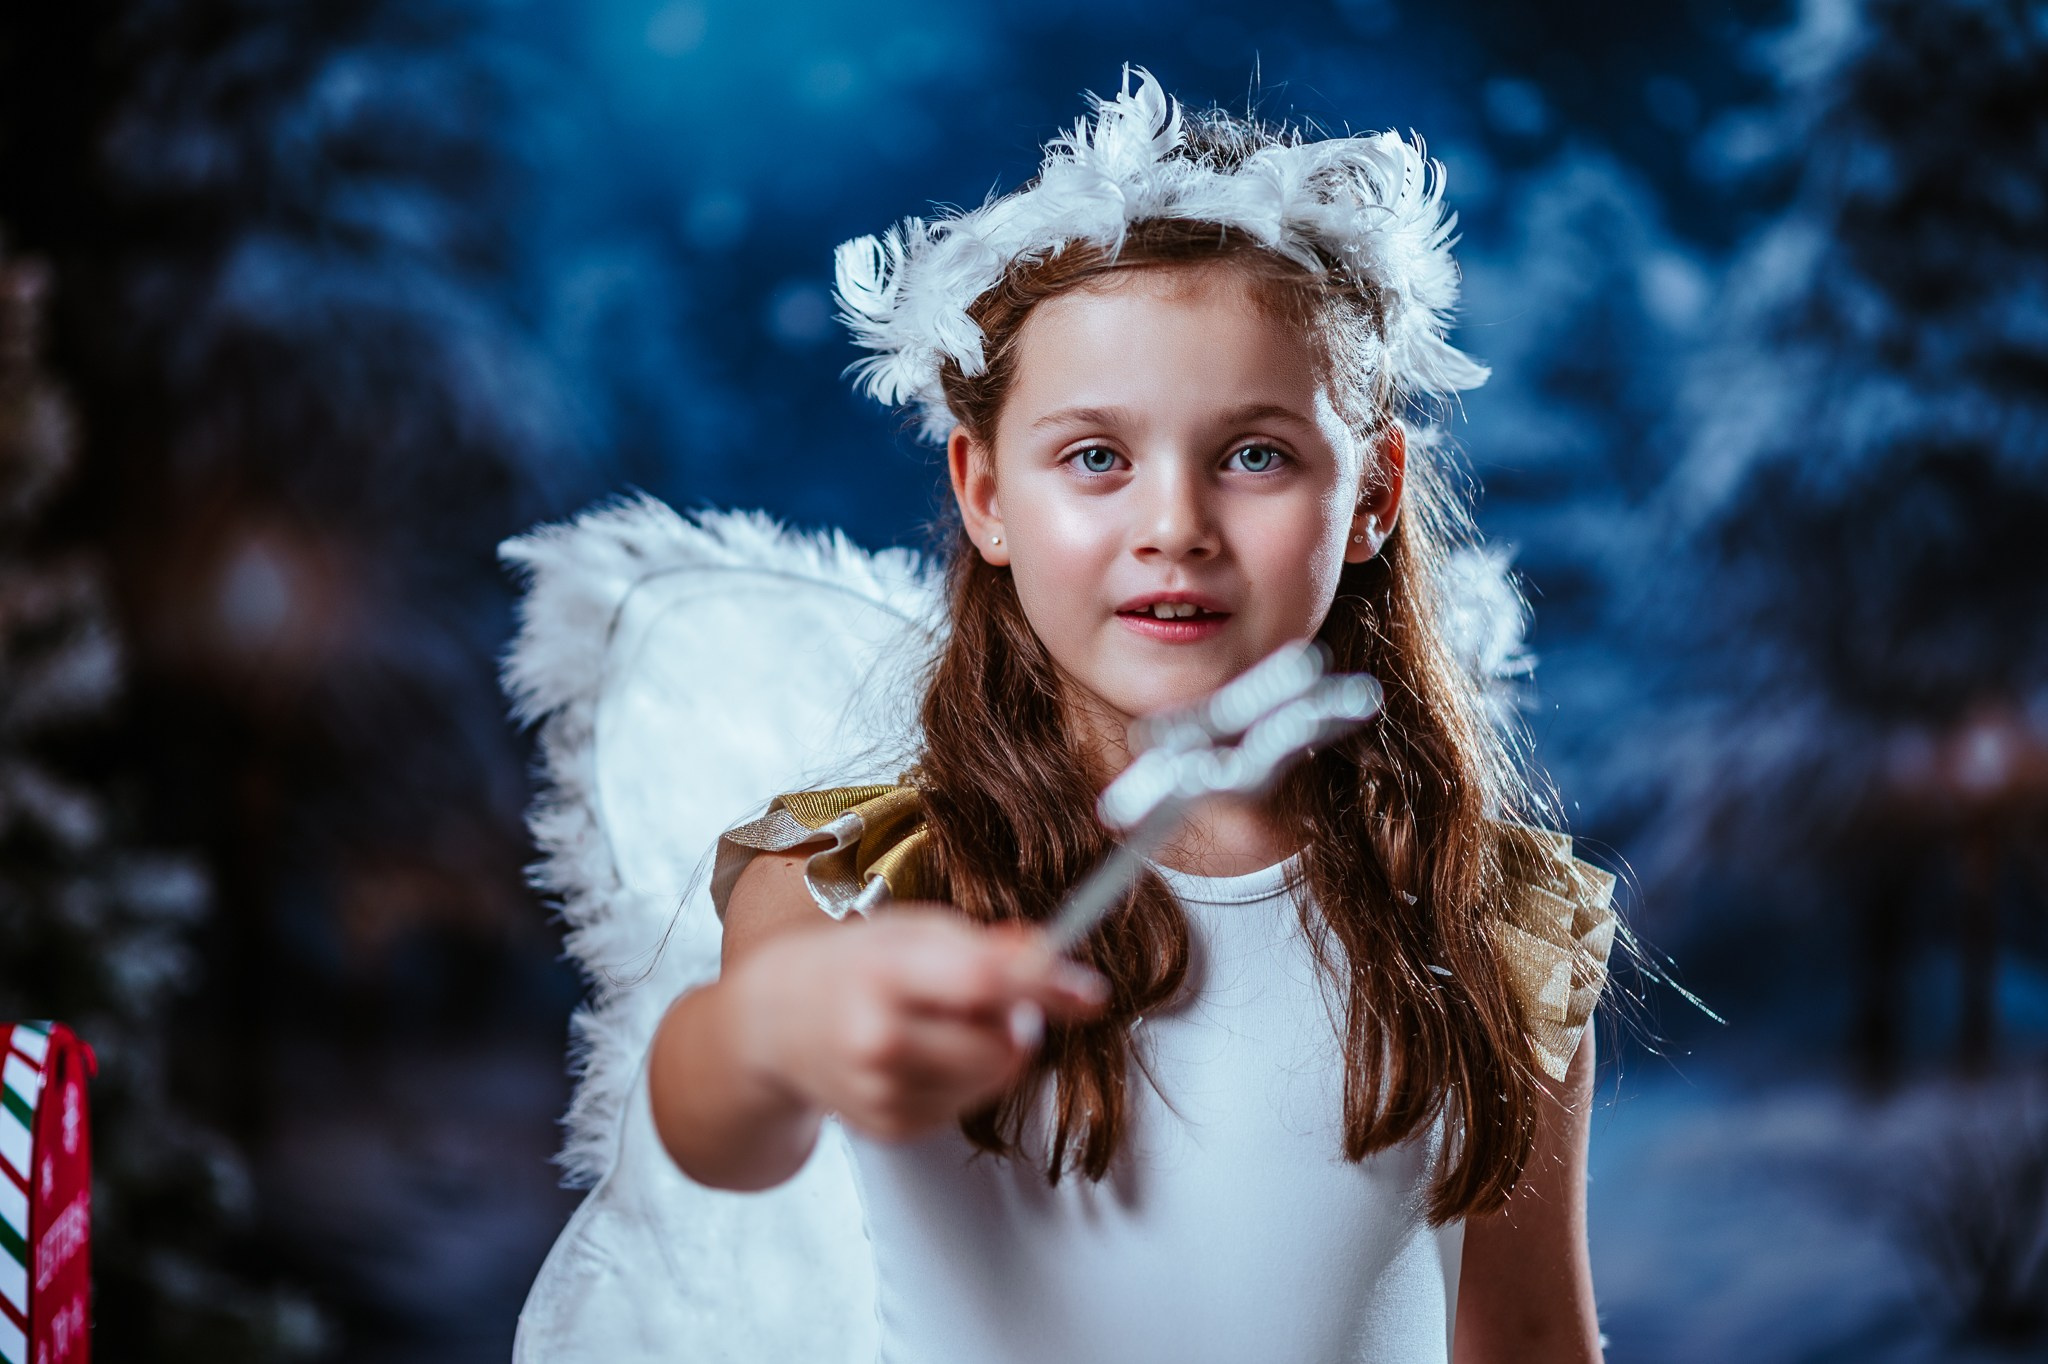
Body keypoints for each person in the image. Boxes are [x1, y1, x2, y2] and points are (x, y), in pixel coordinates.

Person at [644, 68, 1615, 1364]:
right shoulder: (855, 892)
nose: (1174, 528)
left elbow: (1533, 1338)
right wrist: (778, 1029)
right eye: (1096, 457)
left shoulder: (1493, 921)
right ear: (985, 491)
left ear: (1376, 494)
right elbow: (712, 1122)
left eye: (1254, 453)